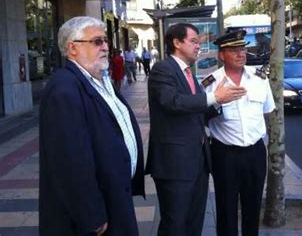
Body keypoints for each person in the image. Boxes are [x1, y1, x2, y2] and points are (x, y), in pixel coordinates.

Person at [39, 16, 145, 236]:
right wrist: (91, 215)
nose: (106, 46)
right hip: (94, 214)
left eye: (106, 40)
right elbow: (69, 160)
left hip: (114, 197)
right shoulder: (64, 88)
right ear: (73, 47)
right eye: (97, 41)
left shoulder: (99, 79)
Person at [146, 23, 247, 236]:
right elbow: (171, 102)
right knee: (175, 224)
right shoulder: (163, 69)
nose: (198, 46)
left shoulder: (188, 73)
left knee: (194, 222)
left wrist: (219, 102)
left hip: (198, 162)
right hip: (174, 165)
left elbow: (196, 112)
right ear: (177, 43)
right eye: (193, 41)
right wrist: (213, 97)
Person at [202, 30, 275, 236]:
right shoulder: (211, 83)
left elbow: (268, 111)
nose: (241, 54)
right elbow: (201, 117)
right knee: (226, 208)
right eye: (234, 50)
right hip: (225, 155)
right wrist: (218, 100)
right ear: (221, 55)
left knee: (253, 207)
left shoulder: (259, 79)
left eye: (242, 49)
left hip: (255, 152)